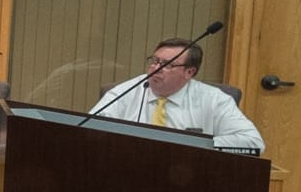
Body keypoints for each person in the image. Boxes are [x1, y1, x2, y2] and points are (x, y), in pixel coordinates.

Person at [90, 38, 265, 155]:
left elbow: (253, 143)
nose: (155, 68)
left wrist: (193, 145)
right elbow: (89, 130)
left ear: (189, 72)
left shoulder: (214, 100)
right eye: (154, 61)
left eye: (166, 64)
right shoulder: (127, 90)